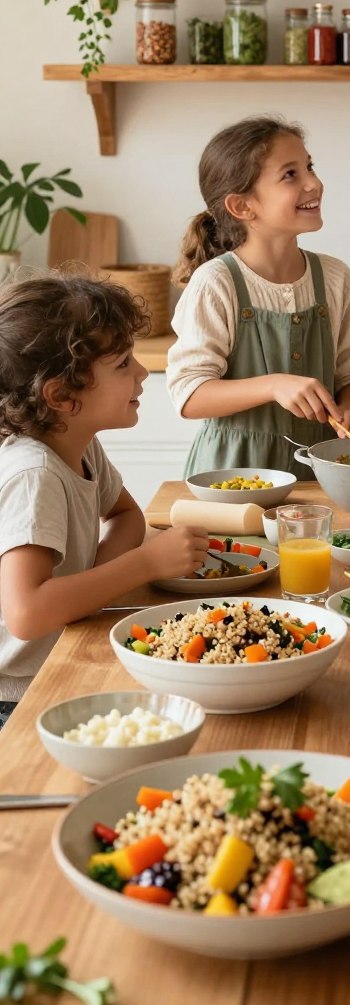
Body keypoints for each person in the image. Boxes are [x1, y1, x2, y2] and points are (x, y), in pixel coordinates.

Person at [0, 274, 209, 725]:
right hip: (16, 699)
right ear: (61, 395)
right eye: (123, 364)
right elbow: (27, 614)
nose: (143, 373)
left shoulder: (80, 445)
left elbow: (126, 514)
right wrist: (144, 565)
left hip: (61, 655)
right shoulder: (35, 474)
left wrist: (91, 586)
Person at [167, 115, 350, 475]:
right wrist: (273, 385)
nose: (314, 183)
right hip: (231, 480)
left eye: (309, 167)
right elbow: (189, 395)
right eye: (290, 174)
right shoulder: (216, 283)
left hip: (318, 473)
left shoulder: (335, 277)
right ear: (242, 206)